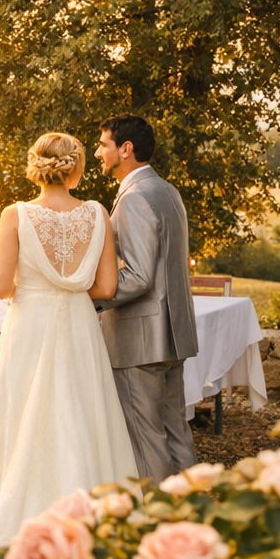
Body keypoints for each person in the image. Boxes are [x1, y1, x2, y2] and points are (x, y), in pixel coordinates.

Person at [0, 133, 136, 559]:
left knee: (23, 415)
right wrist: (70, 288)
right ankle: (88, 529)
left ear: (35, 166)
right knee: (81, 414)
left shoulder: (15, 214)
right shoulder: (97, 213)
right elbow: (107, 286)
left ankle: (19, 527)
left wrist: (35, 286)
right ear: (76, 167)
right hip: (78, 326)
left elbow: (0, 286)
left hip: (29, 324)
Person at [93, 114, 199, 481]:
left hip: (139, 340)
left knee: (146, 438)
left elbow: (138, 276)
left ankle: (157, 513)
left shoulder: (135, 197)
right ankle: (192, 505)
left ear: (125, 149)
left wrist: (93, 297)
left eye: (103, 145)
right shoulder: (167, 191)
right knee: (176, 430)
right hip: (172, 334)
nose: (98, 153)